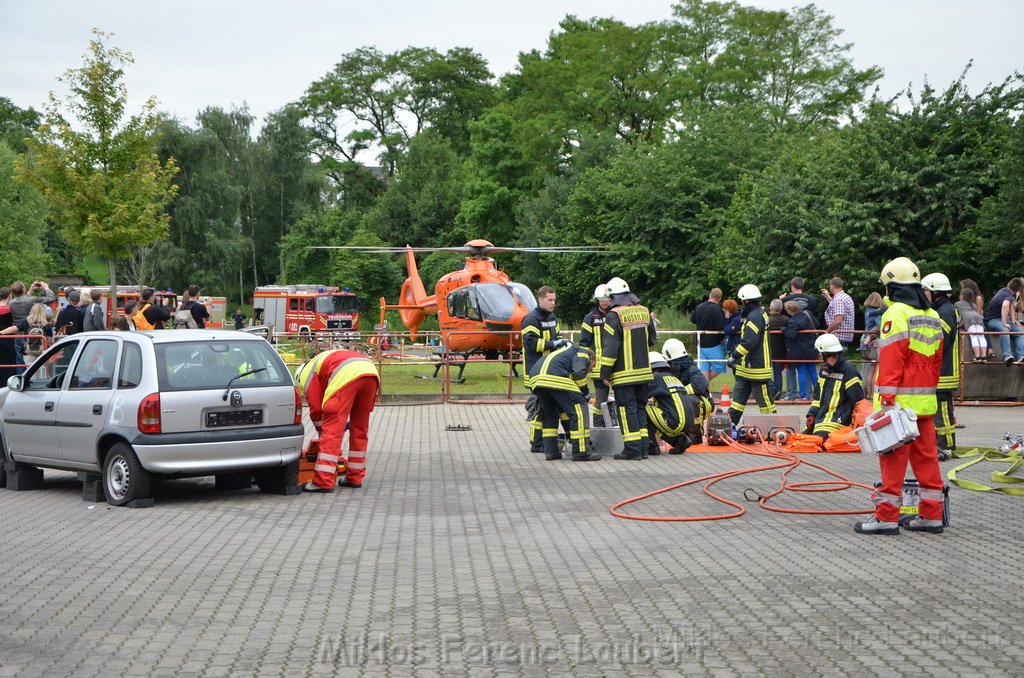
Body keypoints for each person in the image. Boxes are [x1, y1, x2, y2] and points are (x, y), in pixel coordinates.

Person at [855, 256, 944, 535]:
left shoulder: (896, 314)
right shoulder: (932, 316)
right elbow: (936, 361)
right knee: (927, 460)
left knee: (892, 463)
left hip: (899, 406)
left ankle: (886, 518)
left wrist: (888, 403)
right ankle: (931, 516)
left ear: (892, 287)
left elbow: (892, 361)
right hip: (925, 403)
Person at [295, 348, 380, 492]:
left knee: (332, 431)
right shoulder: (322, 361)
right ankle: (355, 477)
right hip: (370, 372)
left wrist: (321, 430)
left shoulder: (305, 374)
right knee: (359, 428)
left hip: (347, 375)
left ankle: (323, 481)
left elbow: (316, 408)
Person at [600, 277, 656, 460]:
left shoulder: (613, 316)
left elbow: (610, 348)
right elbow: (651, 340)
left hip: (624, 375)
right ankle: (644, 448)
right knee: (640, 408)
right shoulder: (644, 312)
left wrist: (604, 372)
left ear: (613, 296)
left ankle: (632, 449)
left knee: (626, 410)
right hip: (644, 372)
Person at [528, 344, 601, 461]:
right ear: (591, 358)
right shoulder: (583, 352)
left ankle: (551, 452)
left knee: (549, 416)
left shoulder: (563, 353)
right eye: (593, 366)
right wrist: (585, 393)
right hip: (554, 377)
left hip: (536, 380)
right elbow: (578, 372)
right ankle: (581, 452)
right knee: (579, 411)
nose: (591, 370)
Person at [922, 273, 960, 460]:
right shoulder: (944, 308)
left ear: (934, 291)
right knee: (943, 408)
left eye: (926, 290)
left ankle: (944, 445)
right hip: (943, 369)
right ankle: (946, 443)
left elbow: (941, 341)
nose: (924, 293)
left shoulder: (944, 311)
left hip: (944, 371)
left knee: (942, 409)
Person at [521, 286, 563, 453]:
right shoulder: (531, 319)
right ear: (540, 299)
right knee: (540, 408)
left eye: (554, 300)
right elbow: (530, 344)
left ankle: (541, 442)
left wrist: (561, 343)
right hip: (536, 370)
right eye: (549, 300)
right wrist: (552, 344)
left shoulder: (552, 317)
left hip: (549, 370)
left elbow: (558, 337)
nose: (553, 303)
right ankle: (536, 442)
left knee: (547, 408)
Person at [727, 285, 776, 424]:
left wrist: (734, 356)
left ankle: (772, 427)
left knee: (765, 403)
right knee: (737, 402)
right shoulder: (757, 313)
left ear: (746, 301)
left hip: (757, 368)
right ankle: (729, 427)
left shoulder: (754, 317)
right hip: (747, 368)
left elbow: (749, 342)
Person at [647, 350, 710, 455]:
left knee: (642, 410)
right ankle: (679, 441)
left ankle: (651, 446)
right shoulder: (673, 378)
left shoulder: (656, 378)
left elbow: (640, 397)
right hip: (687, 424)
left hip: (674, 422)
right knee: (655, 417)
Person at [804, 334, 865, 439]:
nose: (818, 354)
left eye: (819, 352)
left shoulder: (849, 371)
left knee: (817, 440)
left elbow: (858, 401)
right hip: (822, 419)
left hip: (840, 420)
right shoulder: (823, 370)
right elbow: (817, 398)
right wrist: (812, 414)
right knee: (803, 439)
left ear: (825, 353)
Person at [578, 284, 612, 426]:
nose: (605, 301)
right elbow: (584, 344)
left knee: (623, 400)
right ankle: (599, 428)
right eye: (602, 299)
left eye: (607, 298)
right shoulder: (590, 318)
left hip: (616, 366)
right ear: (597, 300)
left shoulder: (615, 314)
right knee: (600, 402)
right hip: (598, 368)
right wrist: (586, 364)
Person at [9, 280, 55, 371]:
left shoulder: (11, 303)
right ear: (23, 289)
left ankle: (20, 380)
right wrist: (46, 288)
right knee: (34, 360)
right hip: (31, 333)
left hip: (18, 335)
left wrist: (31, 289)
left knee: (20, 362)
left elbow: (24, 299)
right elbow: (51, 298)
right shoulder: (30, 300)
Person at [983, 277, 1024, 365]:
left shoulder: (1004, 291)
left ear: (1009, 284)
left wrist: (1014, 320)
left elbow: (1010, 306)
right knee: (1005, 329)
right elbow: (1005, 306)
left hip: (1001, 319)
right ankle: (1007, 355)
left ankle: (1022, 356)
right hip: (992, 320)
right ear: (1018, 290)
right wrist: (1005, 323)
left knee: (1020, 331)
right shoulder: (1008, 295)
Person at [691, 288, 726, 384]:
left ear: (710, 295)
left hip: (700, 342)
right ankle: (702, 384)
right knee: (720, 366)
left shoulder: (699, 307)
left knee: (704, 367)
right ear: (719, 298)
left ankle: (704, 388)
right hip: (713, 343)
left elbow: (693, 320)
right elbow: (720, 326)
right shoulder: (717, 309)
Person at [783, 301, 817, 400]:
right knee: (812, 370)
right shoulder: (807, 314)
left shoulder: (792, 322)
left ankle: (804, 395)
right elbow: (817, 323)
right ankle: (819, 392)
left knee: (802, 371)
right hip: (811, 346)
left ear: (789, 310)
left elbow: (791, 336)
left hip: (800, 349)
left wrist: (784, 329)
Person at [822, 277, 855, 351]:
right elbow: (836, 307)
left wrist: (826, 332)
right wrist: (828, 297)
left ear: (832, 286)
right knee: (842, 360)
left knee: (838, 360)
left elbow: (838, 321)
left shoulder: (838, 300)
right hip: (846, 336)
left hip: (839, 336)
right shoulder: (846, 297)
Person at [955, 288, 988, 362]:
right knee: (981, 336)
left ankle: (977, 356)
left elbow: (957, 315)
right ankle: (984, 356)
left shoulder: (957, 303)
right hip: (978, 317)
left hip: (968, 318)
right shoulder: (973, 304)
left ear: (962, 296)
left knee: (973, 336)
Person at [767, 299, 788, 400]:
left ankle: (773, 390)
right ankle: (778, 392)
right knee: (777, 372)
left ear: (771, 309)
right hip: (780, 350)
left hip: (768, 350)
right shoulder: (786, 320)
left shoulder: (767, 320)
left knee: (764, 372)